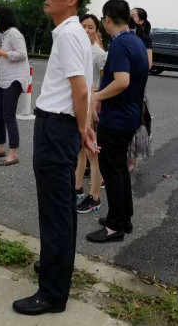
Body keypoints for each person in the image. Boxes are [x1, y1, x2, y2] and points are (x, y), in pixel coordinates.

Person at [13, 0, 95, 316]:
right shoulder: (70, 33)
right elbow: (80, 89)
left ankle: (52, 293)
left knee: (55, 211)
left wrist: (81, 130)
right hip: (60, 125)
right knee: (60, 206)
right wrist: (83, 126)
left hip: (57, 128)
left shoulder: (70, 35)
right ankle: (54, 267)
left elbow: (80, 90)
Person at [86, 0, 149, 244]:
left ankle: (114, 227)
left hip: (117, 118)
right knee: (120, 169)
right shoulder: (136, 41)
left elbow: (122, 81)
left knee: (111, 170)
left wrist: (97, 96)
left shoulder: (121, 44)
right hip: (130, 115)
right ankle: (124, 218)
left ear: (107, 19)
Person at [0, 6, 29, 166]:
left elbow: (23, 54)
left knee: (8, 116)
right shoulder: (4, 35)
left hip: (14, 80)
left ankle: (13, 153)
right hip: (2, 79)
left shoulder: (14, 33)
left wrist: (2, 53)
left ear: (2, 18)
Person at [75, 14, 107, 213]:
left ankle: (95, 196)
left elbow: (103, 82)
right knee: (79, 150)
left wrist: (98, 103)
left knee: (92, 152)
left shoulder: (100, 54)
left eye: (91, 27)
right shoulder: (78, 50)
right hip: (78, 106)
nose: (86, 30)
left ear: (97, 31)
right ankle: (77, 187)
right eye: (83, 26)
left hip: (92, 107)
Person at [127, 7, 154, 172]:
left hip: (136, 85)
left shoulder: (145, 40)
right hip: (121, 83)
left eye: (132, 16)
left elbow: (149, 64)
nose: (129, 18)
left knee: (136, 121)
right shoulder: (123, 36)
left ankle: (132, 157)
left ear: (141, 21)